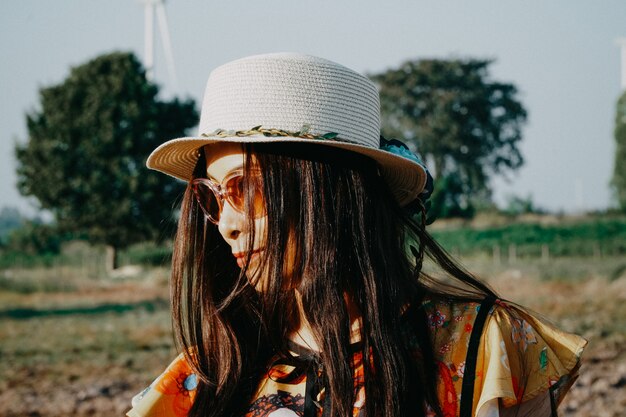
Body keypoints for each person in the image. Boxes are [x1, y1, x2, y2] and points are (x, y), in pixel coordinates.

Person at [127, 53, 586, 417]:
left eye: (248, 188)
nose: (228, 223)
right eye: (213, 197)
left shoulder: (483, 348)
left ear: (330, 191)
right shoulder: (210, 371)